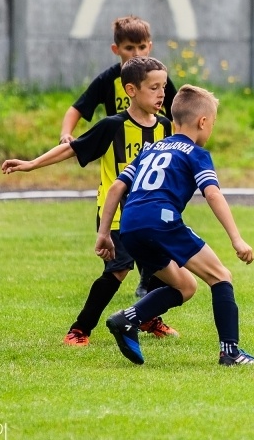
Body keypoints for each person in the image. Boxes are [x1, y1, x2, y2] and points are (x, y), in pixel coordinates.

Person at [2, 56, 180, 346]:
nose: (162, 93)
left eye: (163, 87)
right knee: (119, 269)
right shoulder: (112, 126)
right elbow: (73, 149)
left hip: (152, 214)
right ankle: (79, 330)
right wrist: (31, 164)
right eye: (154, 87)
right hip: (118, 214)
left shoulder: (165, 127)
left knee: (166, 266)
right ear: (131, 91)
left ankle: (148, 318)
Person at [95, 84, 254, 366]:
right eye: (214, 124)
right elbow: (212, 193)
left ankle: (127, 319)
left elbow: (116, 189)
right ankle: (230, 352)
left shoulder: (150, 150)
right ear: (203, 122)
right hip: (162, 222)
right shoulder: (195, 153)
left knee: (185, 286)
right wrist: (237, 239)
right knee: (220, 276)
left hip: (131, 225)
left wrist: (104, 235)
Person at [60, 15, 177, 299]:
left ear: (149, 47)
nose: (135, 54)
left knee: (158, 238)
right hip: (118, 150)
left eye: (141, 47)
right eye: (128, 48)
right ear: (116, 50)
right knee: (121, 253)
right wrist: (67, 133)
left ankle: (148, 287)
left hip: (149, 158)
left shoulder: (158, 81)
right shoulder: (108, 81)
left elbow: (177, 111)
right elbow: (78, 107)